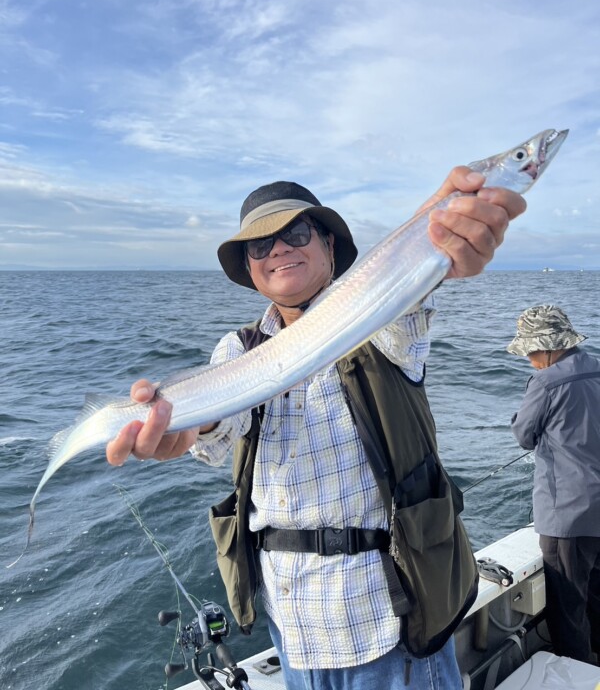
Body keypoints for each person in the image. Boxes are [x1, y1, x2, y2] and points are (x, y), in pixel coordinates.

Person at [107, 167, 525, 689]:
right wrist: (188, 425)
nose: (278, 248)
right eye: (259, 245)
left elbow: (409, 297)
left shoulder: (379, 315)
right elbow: (215, 439)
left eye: (297, 233)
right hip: (290, 622)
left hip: (389, 618)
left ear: (329, 246)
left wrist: (436, 237)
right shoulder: (239, 350)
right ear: (251, 268)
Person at [508, 304, 600, 665]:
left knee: (568, 609)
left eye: (531, 351)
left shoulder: (545, 383)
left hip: (569, 517)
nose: (530, 359)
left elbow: (523, 435)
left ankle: (577, 674)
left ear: (549, 346)